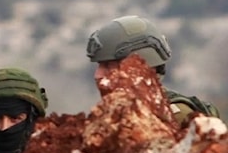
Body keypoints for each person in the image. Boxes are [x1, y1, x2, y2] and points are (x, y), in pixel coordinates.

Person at [86, 14, 221, 124]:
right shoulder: (109, 119)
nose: (98, 75)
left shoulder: (176, 118)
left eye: (108, 65)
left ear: (140, 65)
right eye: (99, 65)